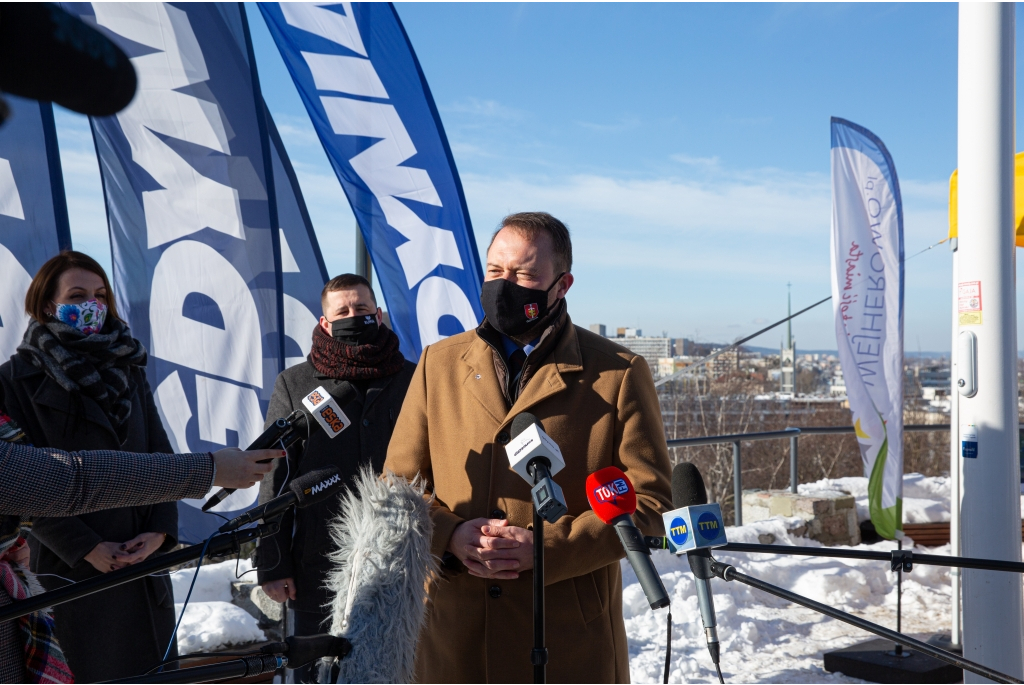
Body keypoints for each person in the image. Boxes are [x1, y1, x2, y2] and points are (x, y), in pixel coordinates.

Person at [384, 212, 673, 683]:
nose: (505, 285)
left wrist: (547, 549)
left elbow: (653, 503)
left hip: (567, 638)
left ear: (562, 285)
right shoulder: (438, 364)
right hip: (456, 635)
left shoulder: (618, 372)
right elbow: (395, 487)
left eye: (524, 275)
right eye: (495, 272)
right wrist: (452, 536)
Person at [1, 252, 180, 681]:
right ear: (47, 305)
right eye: (78, 294)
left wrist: (159, 532)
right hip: (67, 569)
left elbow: (160, 453)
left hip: (140, 564)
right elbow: (19, 478)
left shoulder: (128, 366)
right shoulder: (13, 379)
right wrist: (86, 548)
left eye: (100, 295)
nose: (92, 304)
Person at [256, 274, 415, 683]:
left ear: (378, 314)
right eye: (341, 311)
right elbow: (275, 472)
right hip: (317, 560)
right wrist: (272, 561)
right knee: (316, 669)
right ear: (325, 323)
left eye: (361, 309)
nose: (352, 316)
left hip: (400, 556)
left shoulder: (414, 379)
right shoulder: (295, 384)